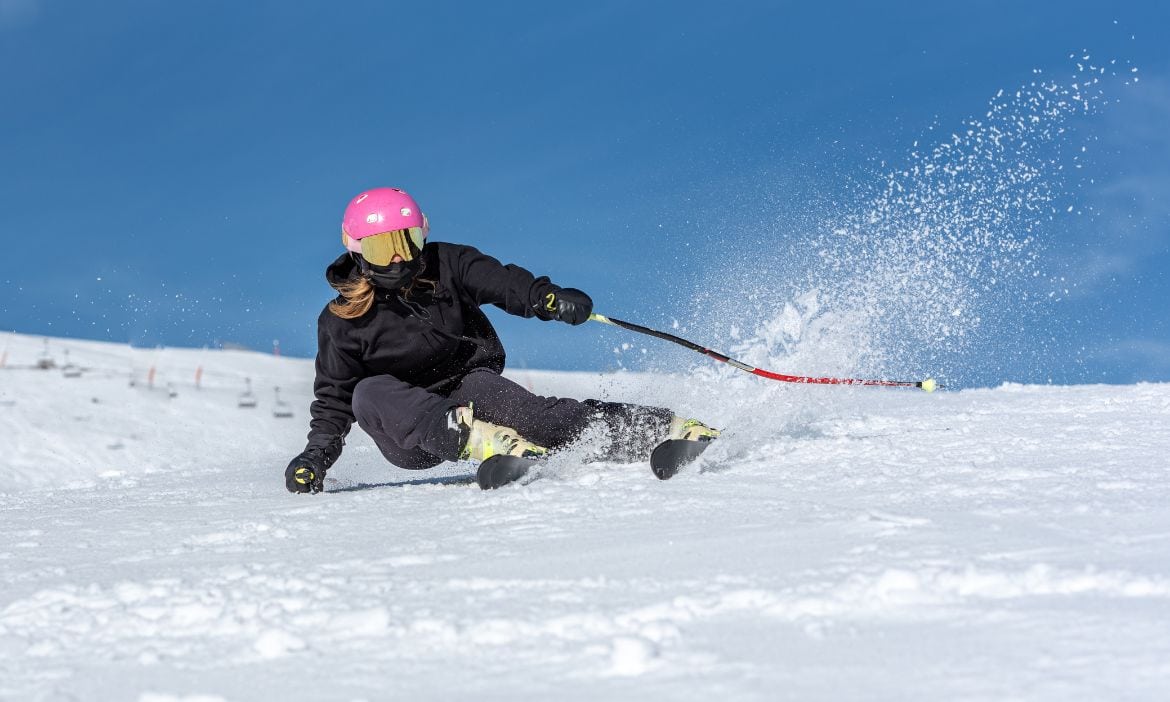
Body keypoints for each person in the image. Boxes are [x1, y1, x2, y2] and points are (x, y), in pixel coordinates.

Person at [284, 187, 718, 494]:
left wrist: (546, 298)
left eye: (407, 241)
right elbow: (335, 401)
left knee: (541, 418)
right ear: (357, 252)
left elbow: (502, 282)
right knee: (367, 391)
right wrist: (314, 458)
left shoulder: (447, 264)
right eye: (382, 250)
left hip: (470, 390)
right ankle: (481, 441)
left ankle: (664, 428)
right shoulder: (341, 320)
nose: (398, 257)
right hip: (410, 434)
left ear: (423, 237)